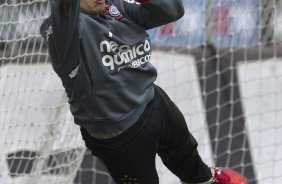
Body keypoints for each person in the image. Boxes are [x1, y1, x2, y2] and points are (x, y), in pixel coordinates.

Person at [40, 0, 249, 183]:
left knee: (190, 162)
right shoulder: (62, 31)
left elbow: (172, 11)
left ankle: (205, 179)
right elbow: (64, 6)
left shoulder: (116, 6)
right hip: (120, 137)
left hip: (155, 102)